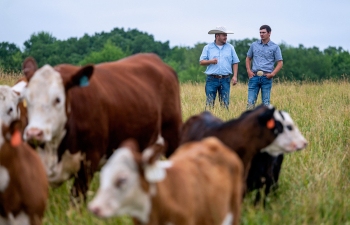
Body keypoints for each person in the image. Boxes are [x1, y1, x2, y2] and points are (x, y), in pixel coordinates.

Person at [199, 26, 240, 109]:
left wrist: (235, 76)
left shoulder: (230, 47)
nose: (226, 37)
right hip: (211, 79)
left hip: (225, 79)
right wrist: (210, 61)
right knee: (209, 104)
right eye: (224, 35)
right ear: (217, 36)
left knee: (225, 105)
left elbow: (235, 62)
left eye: (226, 35)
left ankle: (224, 120)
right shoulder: (207, 47)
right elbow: (201, 62)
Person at [246, 25, 283, 109]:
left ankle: (265, 122)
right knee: (250, 102)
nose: (261, 34)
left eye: (263, 32)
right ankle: (250, 121)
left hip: (267, 77)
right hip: (254, 76)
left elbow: (280, 63)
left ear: (269, 33)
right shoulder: (254, 45)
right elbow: (248, 58)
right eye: (260, 32)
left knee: (266, 103)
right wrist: (248, 70)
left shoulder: (275, 47)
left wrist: (272, 74)